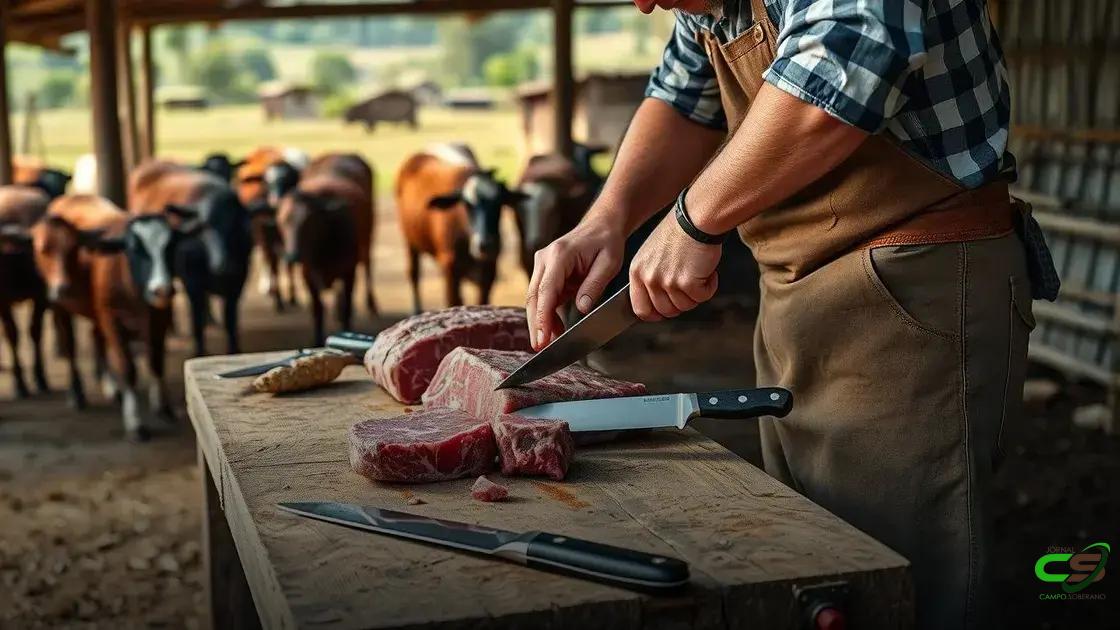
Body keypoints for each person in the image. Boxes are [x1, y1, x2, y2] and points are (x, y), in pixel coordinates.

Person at [525, 1, 1059, 628]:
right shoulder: (707, 7)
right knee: (819, 565)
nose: (643, 4)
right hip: (791, 296)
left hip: (914, 291)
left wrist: (692, 219)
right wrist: (604, 220)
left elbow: (848, 53)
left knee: (903, 583)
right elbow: (681, 100)